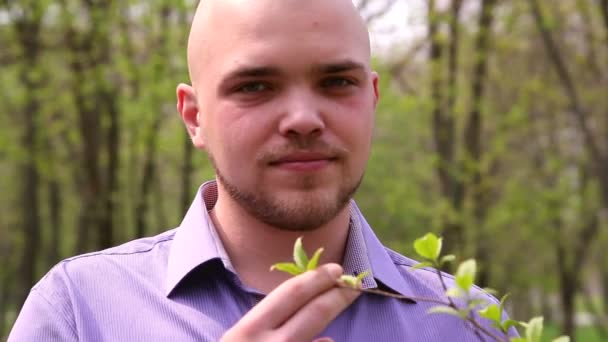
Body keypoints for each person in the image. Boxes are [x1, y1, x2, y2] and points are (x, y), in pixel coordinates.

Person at [9, 0, 513, 341]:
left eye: (337, 81)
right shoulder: (77, 312)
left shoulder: (470, 322)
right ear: (195, 117)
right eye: (254, 86)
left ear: (372, 99)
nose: (303, 120)